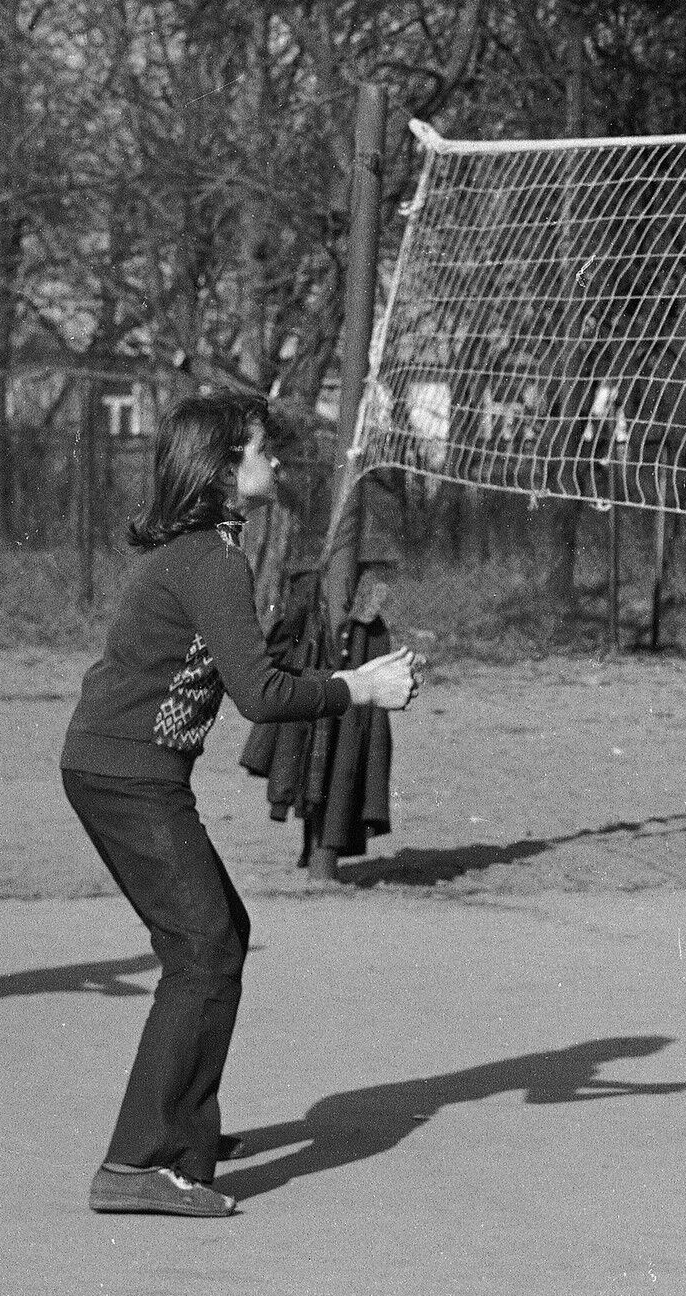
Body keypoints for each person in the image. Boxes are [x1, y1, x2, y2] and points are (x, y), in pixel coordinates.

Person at [61, 393, 419, 1214]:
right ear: (224, 467)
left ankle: (183, 1133)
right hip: (126, 775)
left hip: (123, 770)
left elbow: (246, 674)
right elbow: (258, 692)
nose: (278, 462)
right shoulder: (209, 558)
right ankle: (134, 1163)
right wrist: (357, 686)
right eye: (263, 449)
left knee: (220, 939)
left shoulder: (209, 551)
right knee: (205, 949)